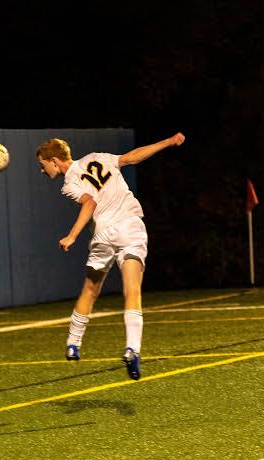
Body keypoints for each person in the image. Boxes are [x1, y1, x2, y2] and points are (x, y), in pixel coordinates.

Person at [36, 132, 185, 380]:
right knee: (132, 290)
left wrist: (72, 235)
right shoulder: (97, 157)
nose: (43, 171)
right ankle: (132, 349)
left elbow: (89, 203)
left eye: (42, 166)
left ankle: (73, 344)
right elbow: (131, 158)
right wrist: (167, 142)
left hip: (104, 234)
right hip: (130, 226)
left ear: (54, 160)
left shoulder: (69, 184)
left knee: (90, 290)